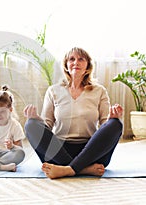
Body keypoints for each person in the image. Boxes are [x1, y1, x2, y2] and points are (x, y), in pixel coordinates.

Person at [23, 47, 123, 179]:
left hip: (91, 151)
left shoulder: (99, 91)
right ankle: (82, 169)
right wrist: (36, 118)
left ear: (87, 66)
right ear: (66, 65)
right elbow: (47, 124)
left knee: (115, 124)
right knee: (31, 125)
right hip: (59, 152)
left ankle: (67, 169)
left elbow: (105, 125)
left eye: (81, 59)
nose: (76, 62)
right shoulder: (53, 90)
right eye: (71, 59)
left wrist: (113, 118)